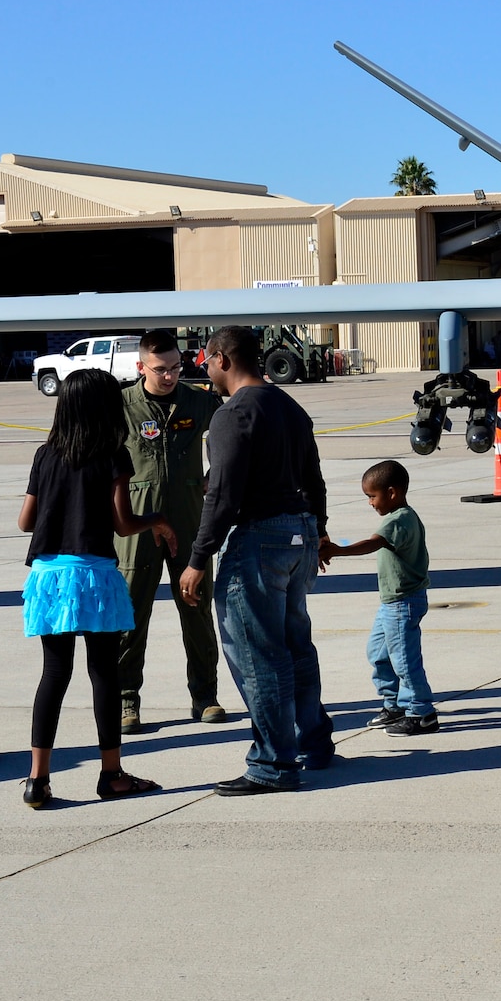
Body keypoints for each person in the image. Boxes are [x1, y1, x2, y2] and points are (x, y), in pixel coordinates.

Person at [177, 326, 333, 795]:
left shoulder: (232, 415)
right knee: (295, 647)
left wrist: (198, 558)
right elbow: (314, 476)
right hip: (298, 535)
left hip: (259, 541)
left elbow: (222, 495)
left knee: (257, 655)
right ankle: (315, 743)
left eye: (206, 360)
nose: (204, 369)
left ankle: (272, 764)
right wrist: (318, 531)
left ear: (223, 358)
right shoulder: (289, 406)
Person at [16, 368, 175, 808]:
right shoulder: (113, 454)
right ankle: (112, 774)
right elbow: (123, 524)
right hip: (94, 574)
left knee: (53, 674)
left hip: (49, 576)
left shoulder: (44, 455)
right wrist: (157, 520)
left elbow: (25, 522)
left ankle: (37, 779)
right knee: (104, 672)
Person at [116, 330, 225, 733]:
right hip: (136, 523)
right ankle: (126, 701)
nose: (170, 376)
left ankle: (205, 695)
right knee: (130, 612)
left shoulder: (198, 401)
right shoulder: (122, 405)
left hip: (188, 517)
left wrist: (216, 475)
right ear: (141, 366)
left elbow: (233, 435)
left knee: (196, 607)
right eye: (161, 369)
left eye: (177, 367)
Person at [322, 460, 435, 736]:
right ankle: (394, 704)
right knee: (379, 653)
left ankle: (421, 713)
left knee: (404, 660)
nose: (370, 503)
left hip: (403, 602)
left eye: (372, 496)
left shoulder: (400, 520)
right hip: (391, 604)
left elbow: (374, 543)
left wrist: (337, 551)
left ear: (392, 493)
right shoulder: (397, 517)